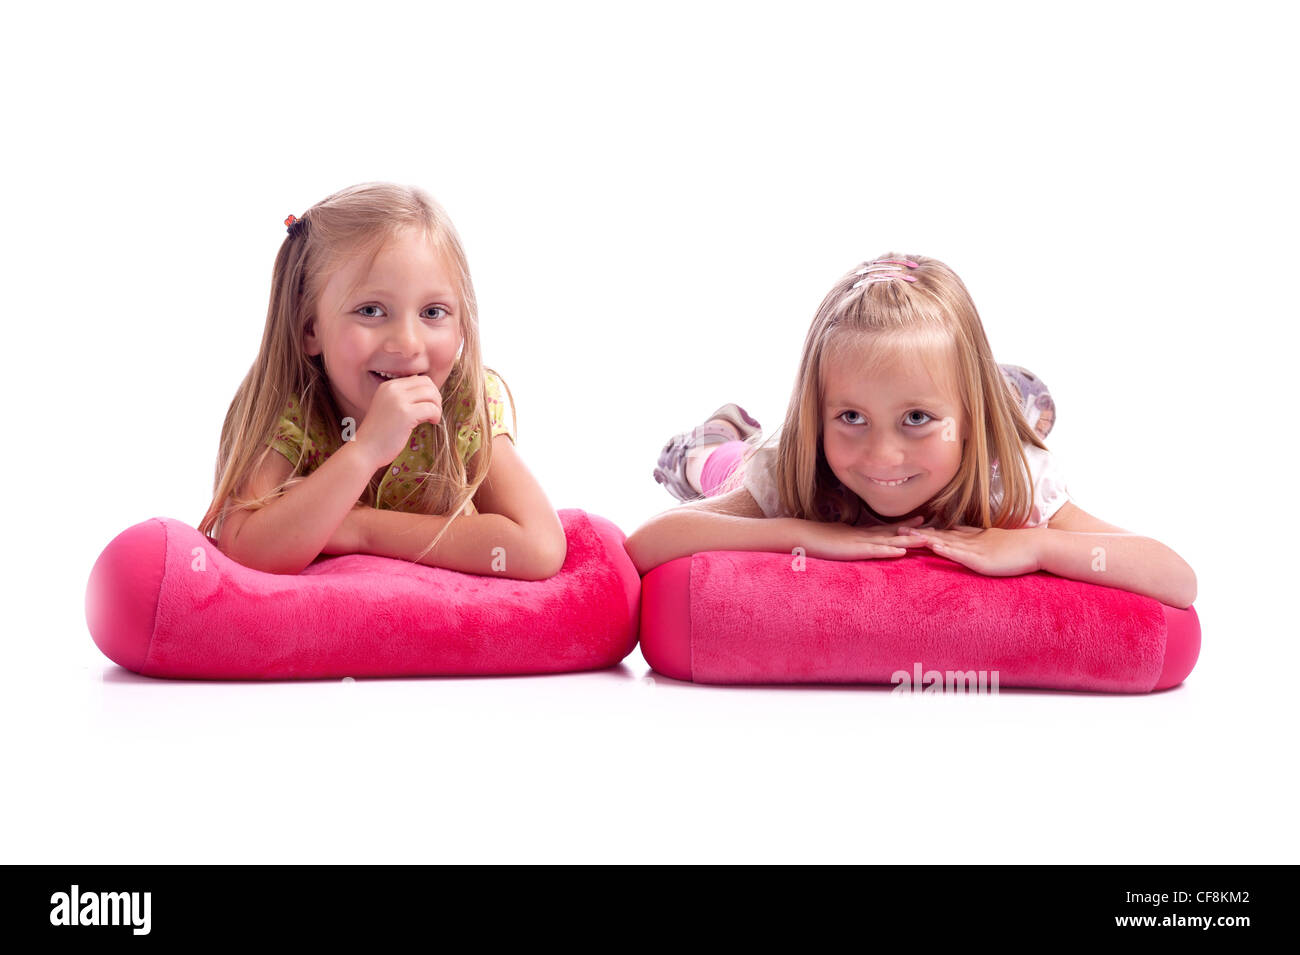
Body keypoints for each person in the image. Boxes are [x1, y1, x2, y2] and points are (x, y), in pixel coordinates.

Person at [626, 255, 1196, 609]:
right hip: (758, 454)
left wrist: (1038, 543)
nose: (882, 454)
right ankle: (710, 440)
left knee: (974, 415)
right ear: (818, 412)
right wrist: (799, 532)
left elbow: (1176, 577)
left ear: (972, 424)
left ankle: (1004, 398)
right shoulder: (793, 467)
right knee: (716, 465)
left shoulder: (1010, 480)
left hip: (982, 428)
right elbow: (647, 543)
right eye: (851, 417)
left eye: (915, 419)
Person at [197, 182, 565, 579]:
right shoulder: (292, 406)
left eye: (434, 312)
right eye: (371, 310)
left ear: (463, 325)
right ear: (310, 327)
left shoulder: (464, 400)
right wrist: (366, 448)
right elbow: (244, 545)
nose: (408, 344)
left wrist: (360, 529)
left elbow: (538, 547)